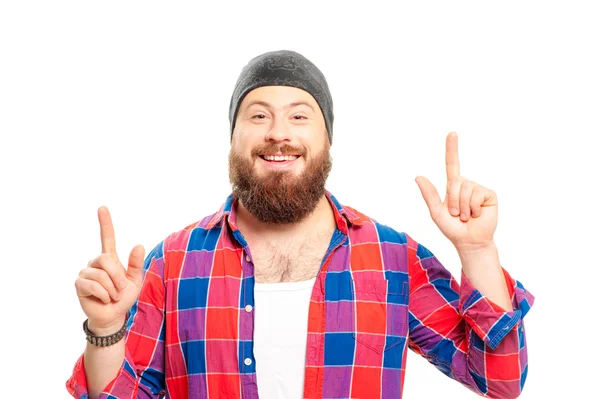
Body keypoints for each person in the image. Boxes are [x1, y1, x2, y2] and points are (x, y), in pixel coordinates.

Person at [66, 50, 534, 399]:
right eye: (258, 116)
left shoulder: (394, 259)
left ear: (327, 140)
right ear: (233, 139)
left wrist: (477, 252)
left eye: (299, 116)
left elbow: (499, 379)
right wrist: (105, 326)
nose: (278, 132)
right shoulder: (173, 262)